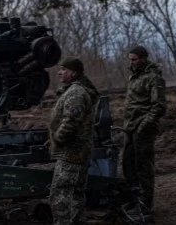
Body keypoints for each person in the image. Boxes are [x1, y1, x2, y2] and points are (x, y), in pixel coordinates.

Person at [48, 57, 100, 225]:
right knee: (75, 194)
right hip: (78, 151)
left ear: (73, 73)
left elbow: (71, 121)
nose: (60, 72)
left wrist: (57, 139)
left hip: (71, 152)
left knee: (60, 195)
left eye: (63, 69)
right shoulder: (74, 90)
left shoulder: (76, 92)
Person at [121, 45, 166, 215]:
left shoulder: (153, 77)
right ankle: (133, 200)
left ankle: (145, 205)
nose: (131, 62)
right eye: (130, 59)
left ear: (143, 59)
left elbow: (159, 107)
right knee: (128, 164)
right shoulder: (135, 75)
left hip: (143, 129)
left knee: (143, 167)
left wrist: (143, 125)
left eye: (134, 59)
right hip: (130, 127)